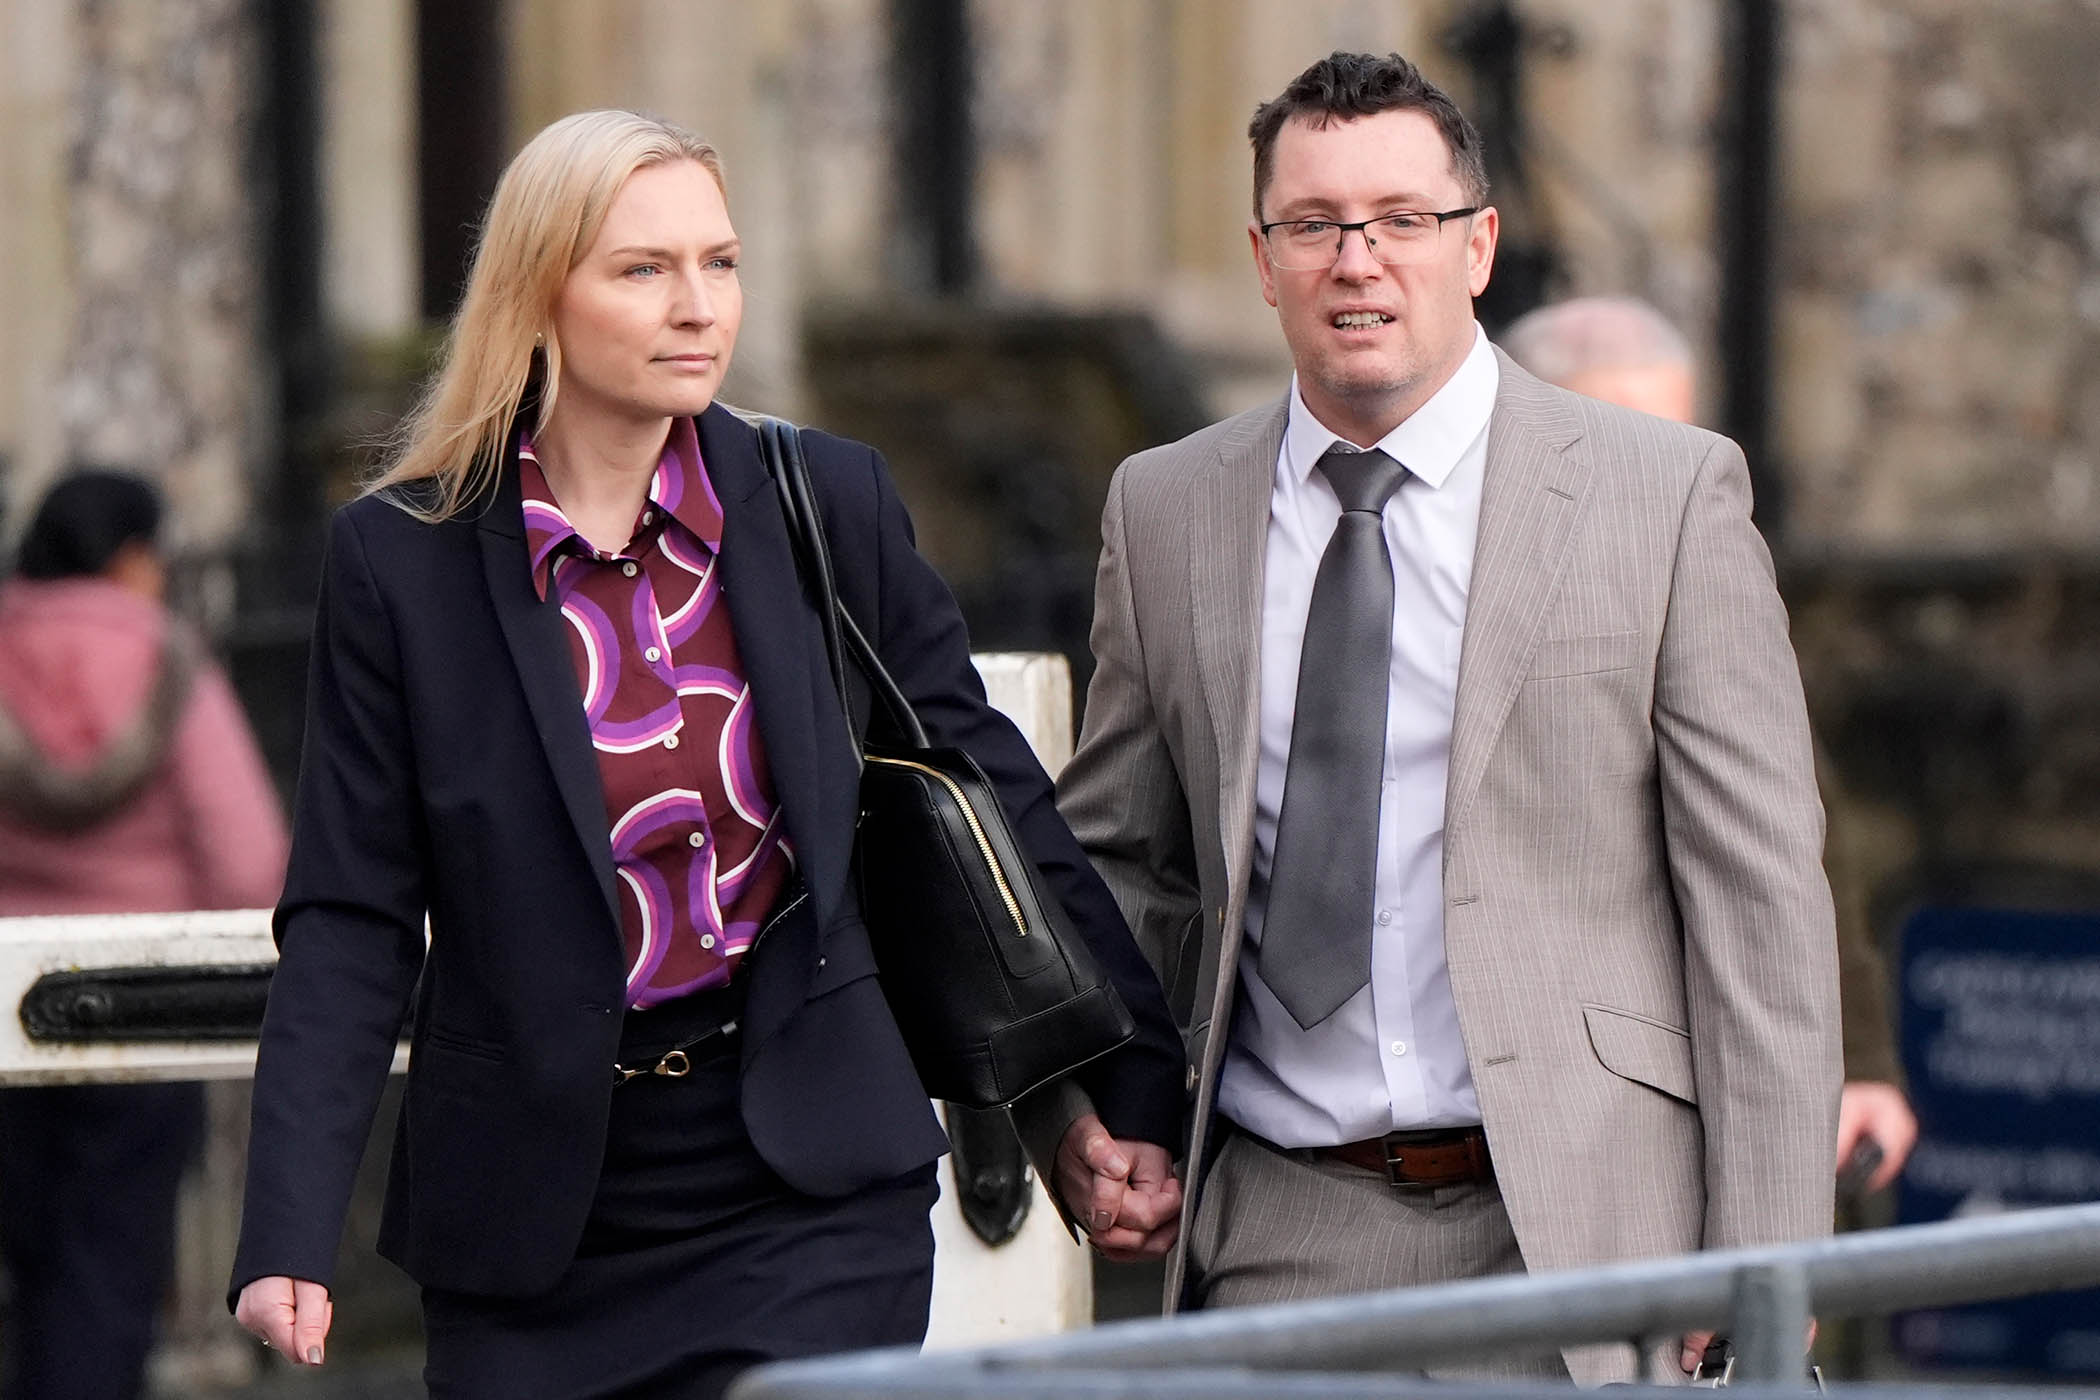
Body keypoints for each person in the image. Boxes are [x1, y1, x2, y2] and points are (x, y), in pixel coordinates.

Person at [227, 110, 1183, 1400]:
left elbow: (990, 792)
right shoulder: (402, 562)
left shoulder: (823, 500)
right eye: (644, 268)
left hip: (807, 1184)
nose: (699, 307)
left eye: (720, 263)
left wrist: (1121, 1084)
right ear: (536, 295)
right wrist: (289, 1222)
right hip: (533, 1215)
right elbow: (352, 911)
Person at [1055, 51, 1840, 1382]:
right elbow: (1120, 859)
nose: (1358, 260)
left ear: (1477, 246)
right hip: (1278, 1231)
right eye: (1315, 224)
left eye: (1402, 222)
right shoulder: (1169, 505)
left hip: (1592, 1238)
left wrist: (1767, 1254)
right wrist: (1084, 1106)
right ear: (1263, 258)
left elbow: (1758, 901)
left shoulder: (1665, 496)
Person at [1500, 295, 1919, 1195]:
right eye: (1625, 439)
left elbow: (1798, 838)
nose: (1665, 473)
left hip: (1696, 1083)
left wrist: (1858, 1060)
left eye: (1678, 436)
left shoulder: (1705, 571)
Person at [0, 469, 289, 1400]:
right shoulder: (169, 661)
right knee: (106, 1265)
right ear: (131, 558)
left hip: (1, 997)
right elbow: (248, 860)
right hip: (138, 1008)